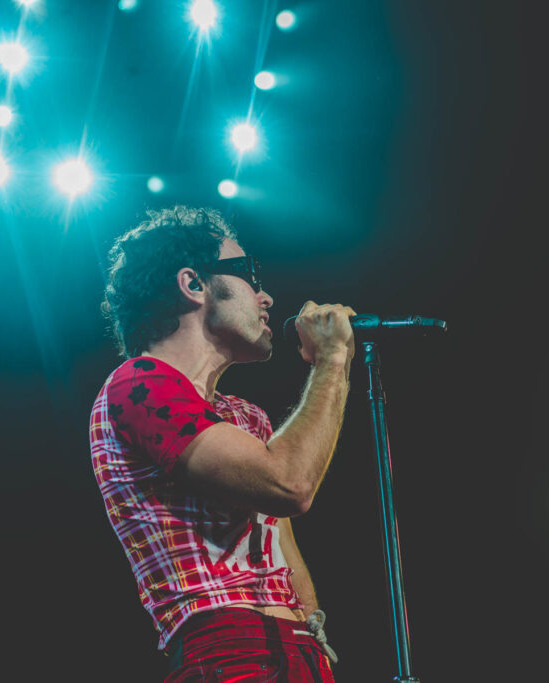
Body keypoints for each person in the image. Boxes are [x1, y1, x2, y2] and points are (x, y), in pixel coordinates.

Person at [90, 206, 353, 682]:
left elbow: (280, 542)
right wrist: (331, 360)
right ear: (193, 284)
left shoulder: (245, 417)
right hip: (226, 649)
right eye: (249, 274)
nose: (266, 296)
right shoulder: (139, 383)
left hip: (298, 651)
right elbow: (289, 484)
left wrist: (312, 638)